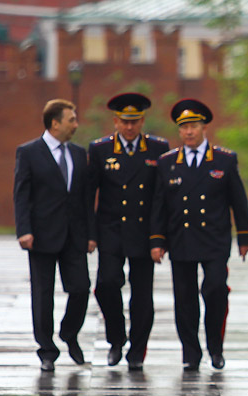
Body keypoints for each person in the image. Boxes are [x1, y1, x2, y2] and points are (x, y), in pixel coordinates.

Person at [150, 98, 248, 371]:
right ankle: (190, 352)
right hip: (181, 238)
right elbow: (159, 204)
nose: (189, 132)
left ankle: (215, 348)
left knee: (216, 289)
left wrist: (244, 236)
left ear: (204, 127)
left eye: (194, 126)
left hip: (215, 239)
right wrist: (157, 240)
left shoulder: (224, 160)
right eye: (184, 128)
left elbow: (238, 201)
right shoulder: (168, 162)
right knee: (184, 298)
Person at [88, 93, 170, 371]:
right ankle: (116, 337)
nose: (130, 127)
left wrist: (159, 237)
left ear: (142, 121)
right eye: (124, 122)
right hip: (111, 229)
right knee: (106, 284)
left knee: (142, 296)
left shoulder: (157, 149)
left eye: (135, 122)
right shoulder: (100, 149)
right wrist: (90, 234)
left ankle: (136, 349)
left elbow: (161, 197)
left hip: (144, 232)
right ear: (115, 121)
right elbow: (90, 194)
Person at [13, 99, 96, 372]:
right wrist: (24, 230)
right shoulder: (29, 152)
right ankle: (47, 350)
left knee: (81, 288)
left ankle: (69, 333)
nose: (76, 124)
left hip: (74, 236)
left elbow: (85, 198)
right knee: (43, 294)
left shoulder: (78, 153)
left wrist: (91, 234)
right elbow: (22, 194)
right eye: (71, 119)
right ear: (55, 123)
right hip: (41, 235)